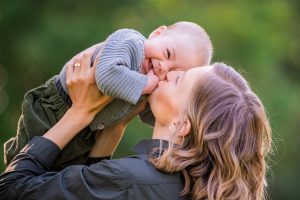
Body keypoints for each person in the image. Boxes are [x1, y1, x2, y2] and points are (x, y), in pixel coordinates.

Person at [0, 47, 271, 199]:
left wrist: (80, 113)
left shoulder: (128, 180)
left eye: (180, 80)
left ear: (183, 123)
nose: (169, 73)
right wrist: (114, 128)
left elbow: (11, 190)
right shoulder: (188, 190)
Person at [4, 21, 213, 169]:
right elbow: (106, 76)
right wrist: (148, 84)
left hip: (86, 133)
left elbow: (154, 114)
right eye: (167, 54)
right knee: (24, 159)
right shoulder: (130, 43)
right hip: (56, 108)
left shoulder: (148, 79)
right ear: (158, 33)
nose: (162, 67)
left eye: (172, 72)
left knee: (53, 177)